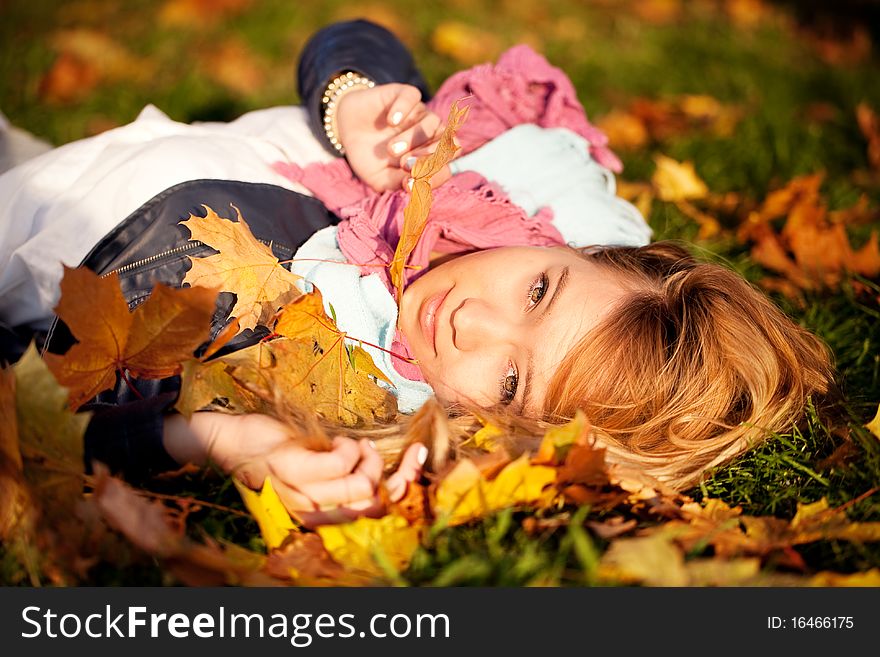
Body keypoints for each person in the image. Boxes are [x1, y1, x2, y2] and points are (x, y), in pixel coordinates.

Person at [0, 21, 834, 526]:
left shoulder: (340, 387)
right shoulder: (464, 180)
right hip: (78, 167)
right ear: (573, 246)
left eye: (510, 379)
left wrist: (205, 438)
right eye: (539, 291)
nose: (476, 320)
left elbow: (59, 412)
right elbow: (351, 41)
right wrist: (357, 98)